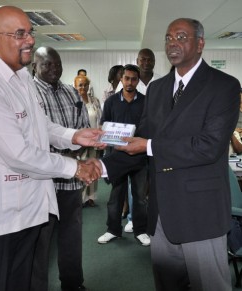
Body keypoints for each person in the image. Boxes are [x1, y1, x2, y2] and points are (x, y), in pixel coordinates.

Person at [0, 6, 103, 291]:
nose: (30, 40)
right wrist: (75, 168)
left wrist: (75, 136)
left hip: (26, 212)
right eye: (19, 34)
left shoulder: (20, 77)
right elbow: (17, 154)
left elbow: (39, 126)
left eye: (29, 32)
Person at [97, 18, 241, 290]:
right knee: (167, 284)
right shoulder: (158, 88)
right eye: (168, 38)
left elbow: (207, 146)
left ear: (200, 43)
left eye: (181, 37)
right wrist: (103, 165)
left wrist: (147, 145)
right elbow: (141, 135)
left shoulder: (224, 86)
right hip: (162, 213)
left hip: (201, 215)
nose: (172, 43)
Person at [31, 46, 90, 291]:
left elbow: (83, 128)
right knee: (40, 242)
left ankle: (72, 283)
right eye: (47, 64)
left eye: (57, 64)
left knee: (71, 236)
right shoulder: (28, 94)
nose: (54, 69)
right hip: (41, 182)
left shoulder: (71, 93)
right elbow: (35, 141)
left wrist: (73, 154)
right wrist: (67, 154)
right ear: (35, 66)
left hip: (70, 181)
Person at [97, 64, 149, 246]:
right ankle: (113, 230)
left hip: (139, 157)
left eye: (134, 79)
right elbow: (104, 126)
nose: (129, 82)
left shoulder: (145, 101)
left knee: (140, 196)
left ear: (137, 81)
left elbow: (149, 127)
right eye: (126, 78)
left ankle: (140, 230)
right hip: (117, 157)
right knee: (116, 195)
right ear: (121, 79)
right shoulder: (111, 102)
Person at [117, 48, 160, 234]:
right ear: (138, 60)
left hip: (154, 140)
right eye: (143, 59)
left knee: (154, 181)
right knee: (135, 185)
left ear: (154, 62)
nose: (146, 63)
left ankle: (152, 216)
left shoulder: (161, 81)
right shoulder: (128, 82)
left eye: (149, 60)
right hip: (132, 141)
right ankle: (133, 219)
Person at [74, 75, 102, 207]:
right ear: (75, 86)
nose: (83, 87)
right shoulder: (73, 101)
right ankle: (81, 198)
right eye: (80, 85)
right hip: (80, 142)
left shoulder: (94, 101)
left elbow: (100, 120)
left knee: (94, 167)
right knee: (82, 168)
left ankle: (91, 197)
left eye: (85, 85)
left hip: (95, 141)